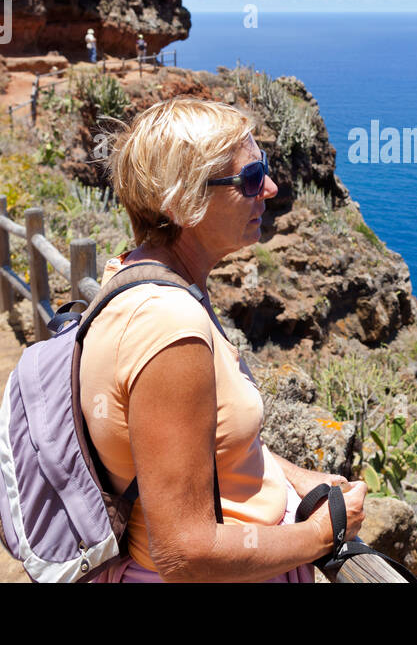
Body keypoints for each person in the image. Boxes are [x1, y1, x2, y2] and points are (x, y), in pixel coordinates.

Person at [81, 97, 366, 581]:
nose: (271, 189)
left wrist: (291, 478)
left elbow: (199, 446)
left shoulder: (139, 276)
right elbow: (185, 552)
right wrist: (323, 532)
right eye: (251, 179)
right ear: (181, 201)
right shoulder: (169, 328)